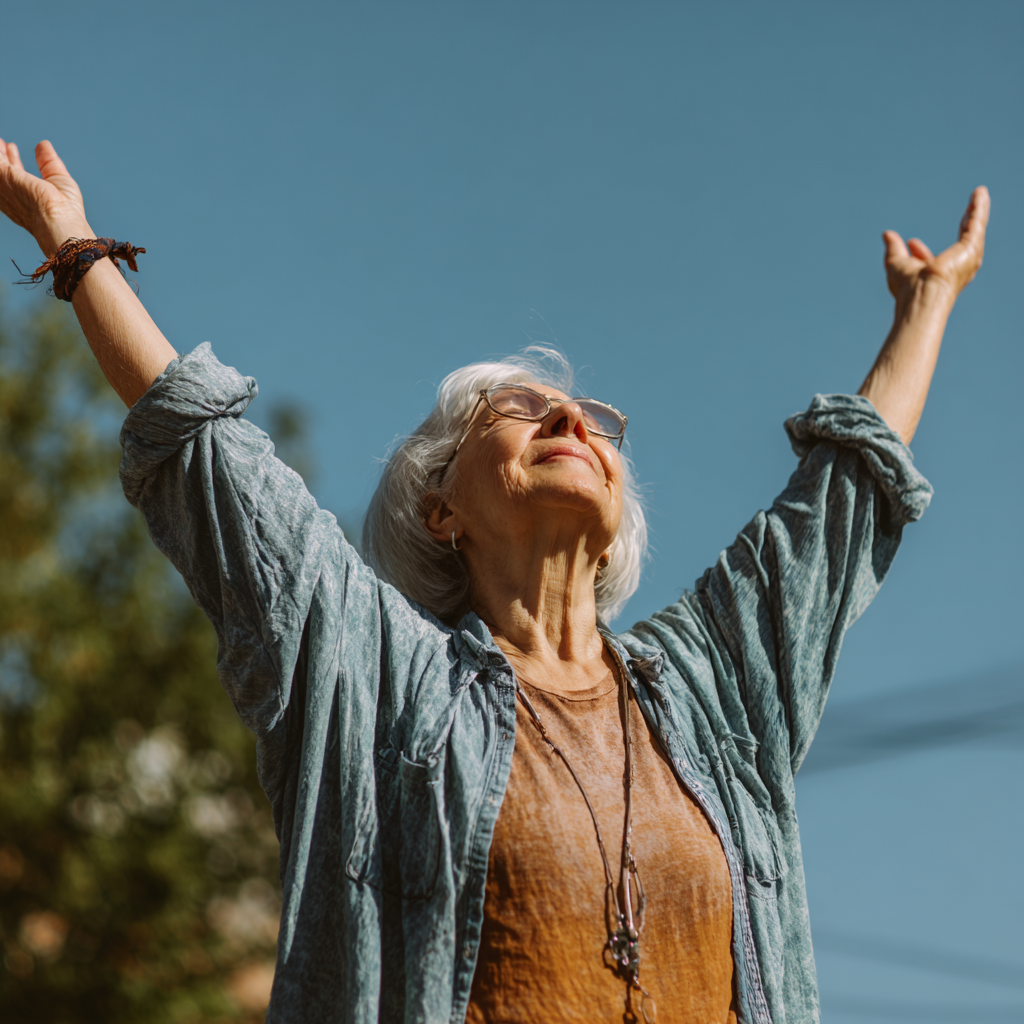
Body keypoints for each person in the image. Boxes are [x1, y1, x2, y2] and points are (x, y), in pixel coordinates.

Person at [0, 137, 988, 1024]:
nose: (571, 423)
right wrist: (73, 238)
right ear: (442, 510)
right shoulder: (382, 681)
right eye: (520, 410)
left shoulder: (711, 688)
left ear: (613, 531)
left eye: (590, 419)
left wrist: (927, 303)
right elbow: (215, 460)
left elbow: (836, 506)